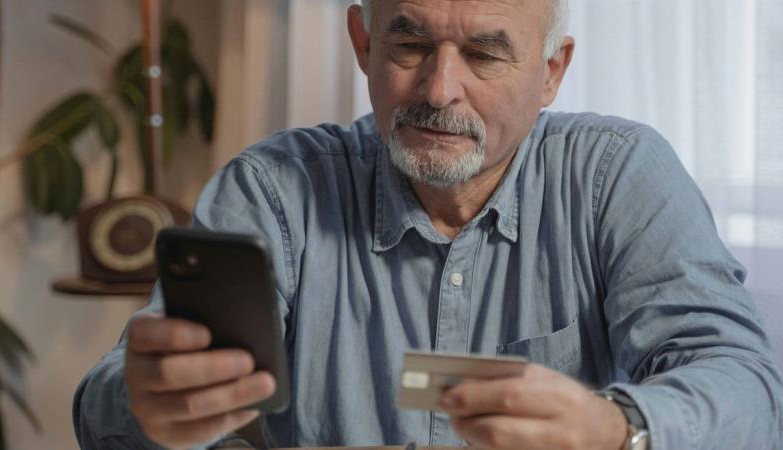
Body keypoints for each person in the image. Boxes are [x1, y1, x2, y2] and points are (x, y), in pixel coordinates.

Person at [74, 0, 783, 449]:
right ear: (363, 43)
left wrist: (619, 427)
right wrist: (151, 409)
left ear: (551, 72)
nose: (439, 90)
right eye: (408, 45)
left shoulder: (616, 174)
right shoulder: (274, 190)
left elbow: (748, 389)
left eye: (484, 53)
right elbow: (105, 406)